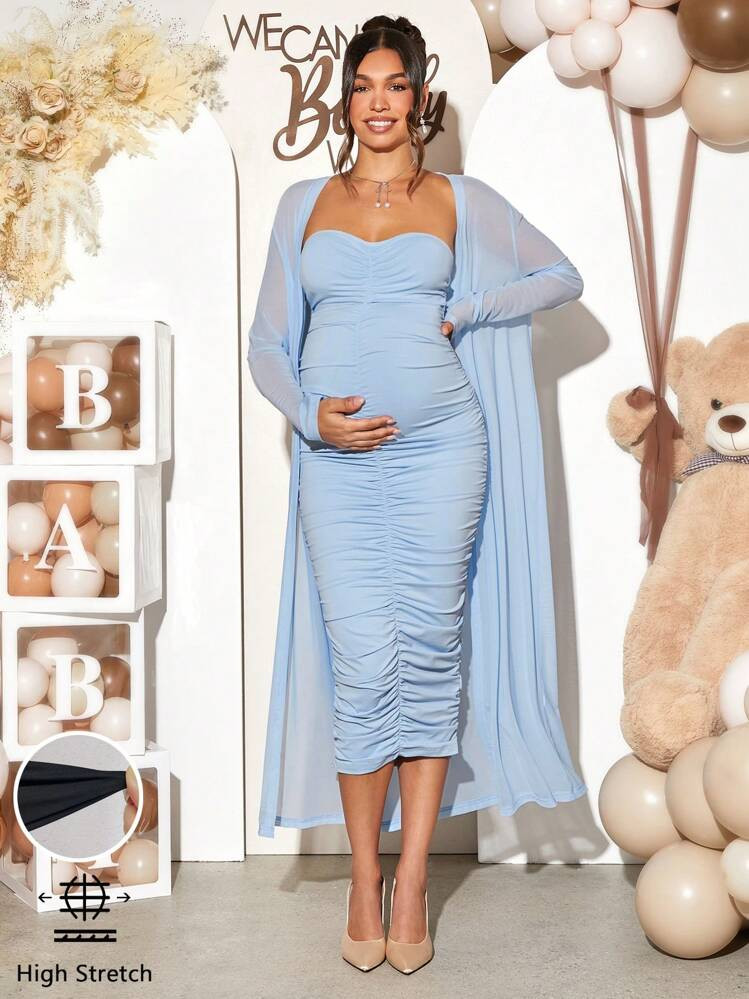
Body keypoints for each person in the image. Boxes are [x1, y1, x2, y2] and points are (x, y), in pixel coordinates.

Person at [247, 14, 587, 975]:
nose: (379, 102)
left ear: (420, 98)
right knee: (361, 662)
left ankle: (409, 884)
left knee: (431, 654)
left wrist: (469, 308)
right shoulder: (302, 204)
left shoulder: (459, 200)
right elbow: (266, 344)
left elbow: (560, 276)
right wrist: (311, 416)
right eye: (363, 86)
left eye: (395, 85)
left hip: (443, 451)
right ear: (345, 100)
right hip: (338, 464)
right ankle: (363, 879)